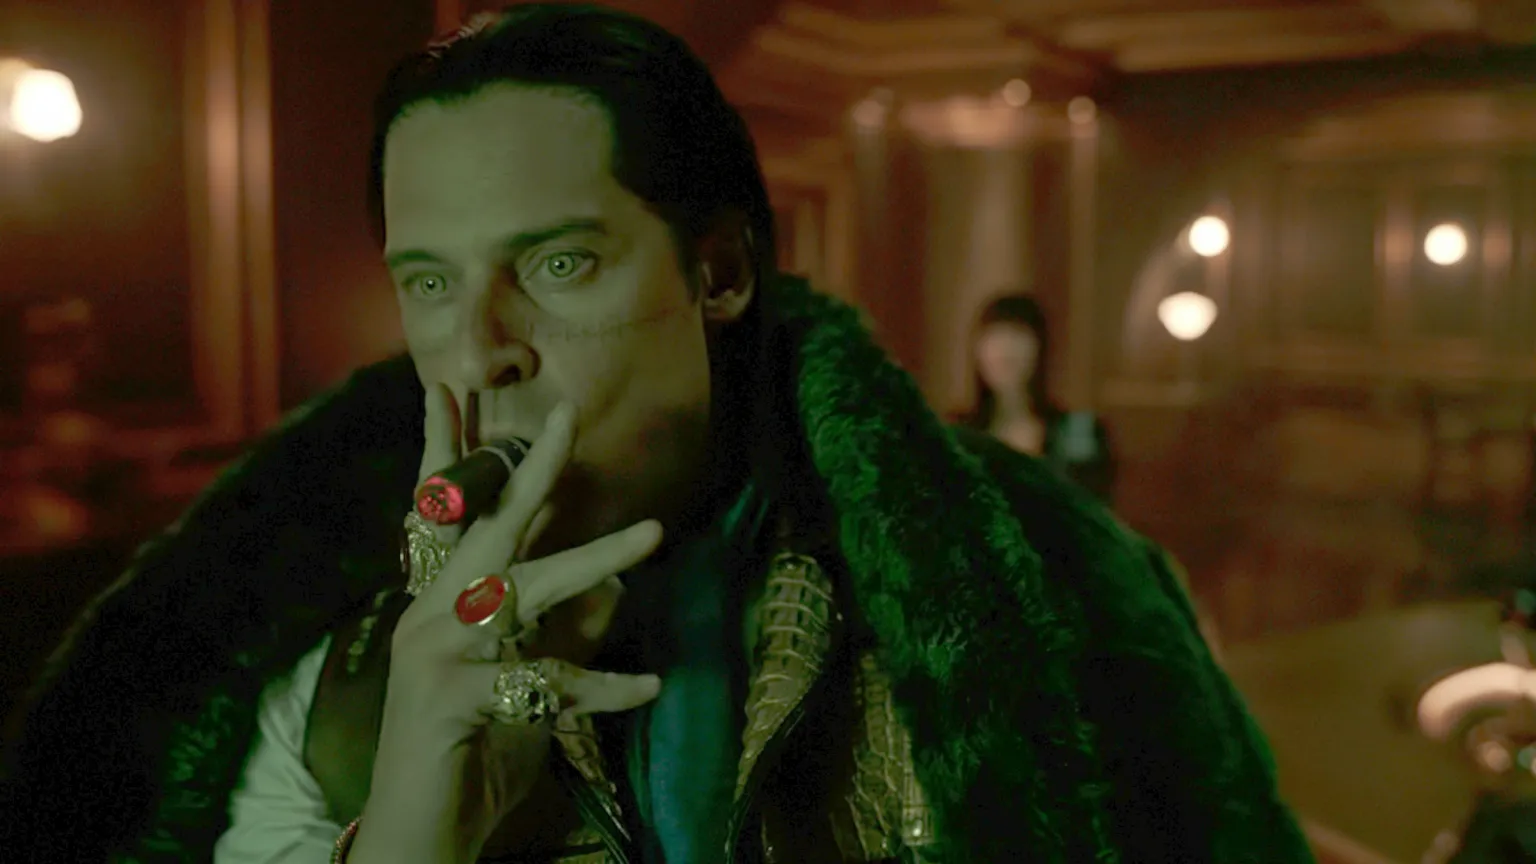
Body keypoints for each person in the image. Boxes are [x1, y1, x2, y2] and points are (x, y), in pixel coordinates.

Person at [0, 5, 1311, 863]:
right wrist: (410, 826)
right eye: (432, 282)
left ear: (718, 272)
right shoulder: (304, 675)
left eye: (558, 264)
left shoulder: (1047, 596)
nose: (481, 348)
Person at [957, 292, 1117, 503]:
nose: (1005, 349)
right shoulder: (956, 435)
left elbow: (1091, 510)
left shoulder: (1076, 432)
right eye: (994, 335)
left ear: (1040, 348)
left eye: (1017, 334)